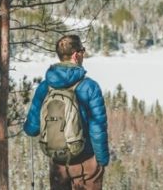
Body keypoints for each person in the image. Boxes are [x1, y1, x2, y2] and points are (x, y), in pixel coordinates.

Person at [24, 34, 109, 190]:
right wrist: (102, 160)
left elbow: (31, 129)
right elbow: (97, 129)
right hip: (87, 162)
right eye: (83, 50)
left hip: (59, 164)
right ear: (76, 55)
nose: (83, 54)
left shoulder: (45, 87)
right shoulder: (90, 86)